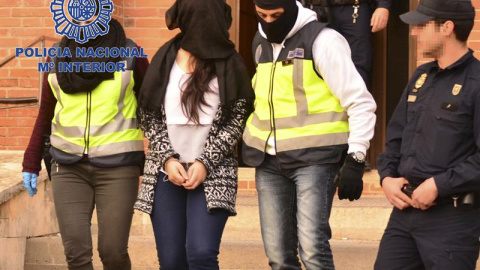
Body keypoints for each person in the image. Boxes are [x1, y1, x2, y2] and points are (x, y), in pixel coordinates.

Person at [242, 0, 377, 269]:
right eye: (261, 15)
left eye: (276, 15)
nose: (269, 22)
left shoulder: (324, 41)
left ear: (290, 8)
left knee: (312, 249)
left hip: (315, 160)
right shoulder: (260, 41)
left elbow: (360, 102)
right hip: (268, 162)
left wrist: (356, 157)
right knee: (279, 257)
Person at [133, 0, 254, 269]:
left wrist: (205, 162)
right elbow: (149, 115)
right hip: (166, 173)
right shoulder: (164, 59)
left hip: (214, 171)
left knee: (200, 254)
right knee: (172, 260)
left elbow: (237, 118)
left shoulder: (230, 62)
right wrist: (167, 159)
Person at [22, 18, 149, 270]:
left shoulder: (131, 54)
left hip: (119, 167)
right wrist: (30, 161)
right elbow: (46, 113)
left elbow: (154, 109)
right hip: (67, 167)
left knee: (113, 252)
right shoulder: (56, 56)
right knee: (76, 254)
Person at [375, 0, 480, 269]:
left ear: (447, 27)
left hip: (452, 219)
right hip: (404, 213)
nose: (413, 32)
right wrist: (387, 177)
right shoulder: (421, 76)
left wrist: (438, 185)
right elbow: (395, 137)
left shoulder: (476, 82)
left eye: (422, 26)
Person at [303, 0, 391, 88]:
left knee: (358, 65)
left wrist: (383, 6)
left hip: (354, 8)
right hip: (315, 8)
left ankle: (357, 100)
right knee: (316, 61)